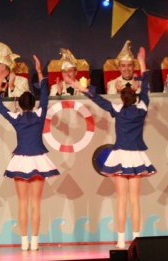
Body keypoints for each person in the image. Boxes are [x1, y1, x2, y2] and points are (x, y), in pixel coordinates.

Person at [64, 47, 155, 249]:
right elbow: (146, 88)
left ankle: (121, 240)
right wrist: (142, 63)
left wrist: (77, 86)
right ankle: (137, 240)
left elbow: (97, 99)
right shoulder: (142, 108)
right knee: (135, 201)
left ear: (122, 97)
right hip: (136, 157)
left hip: (121, 156)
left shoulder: (117, 108)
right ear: (135, 95)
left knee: (121, 200)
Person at [0, 55, 59, 251]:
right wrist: (39, 71)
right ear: (33, 103)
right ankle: (35, 242)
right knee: (36, 203)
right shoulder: (40, 114)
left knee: (22, 203)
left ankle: (24, 243)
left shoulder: (16, 118)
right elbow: (45, 96)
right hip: (38, 160)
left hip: (21, 161)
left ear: (20, 104)